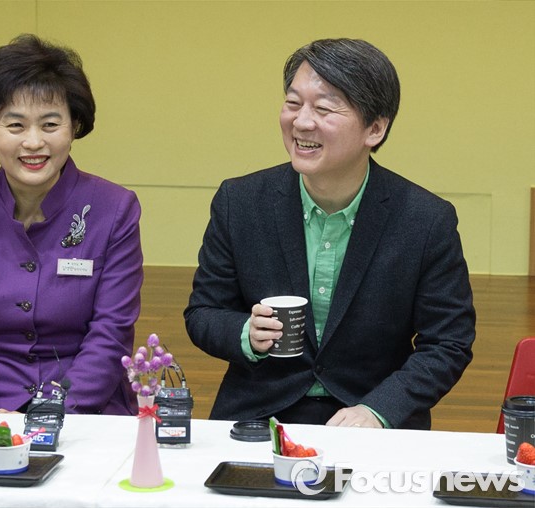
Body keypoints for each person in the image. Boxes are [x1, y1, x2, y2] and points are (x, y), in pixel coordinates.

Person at [184, 38, 475, 430]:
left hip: (371, 414)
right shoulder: (240, 202)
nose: (302, 122)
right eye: (293, 103)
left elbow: (448, 342)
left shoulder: (425, 220)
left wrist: (378, 410)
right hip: (259, 411)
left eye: (323, 108)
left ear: (375, 128)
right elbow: (203, 312)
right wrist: (245, 334)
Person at [0, 34, 143, 415]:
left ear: (74, 126)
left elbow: (110, 337)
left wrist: (51, 412)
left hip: (86, 409)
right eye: (16, 125)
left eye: (50, 124)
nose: (34, 142)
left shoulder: (114, 209)